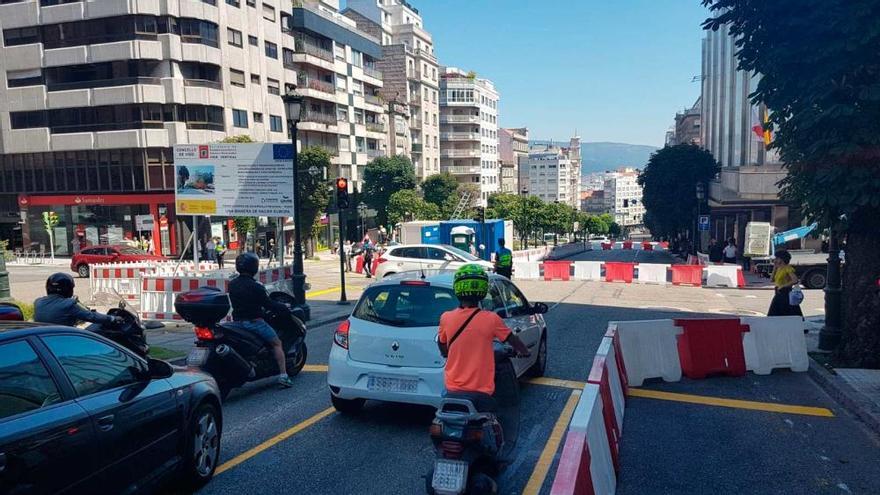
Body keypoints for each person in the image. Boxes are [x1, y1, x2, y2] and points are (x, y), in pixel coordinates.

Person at [437, 265, 530, 411]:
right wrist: (524, 351)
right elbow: (512, 339)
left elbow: (443, 348)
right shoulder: (491, 319)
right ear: (483, 291)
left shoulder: (446, 318)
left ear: (457, 289)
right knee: (498, 416)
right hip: (481, 392)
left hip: (452, 390)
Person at [227, 252, 294, 388]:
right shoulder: (256, 286)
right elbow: (268, 304)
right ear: (254, 267)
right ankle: (283, 375)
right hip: (254, 322)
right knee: (277, 343)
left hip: (237, 323)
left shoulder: (232, 284)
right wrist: (283, 307)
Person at [34, 273, 122, 327]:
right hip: (64, 339)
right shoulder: (69, 304)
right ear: (68, 289)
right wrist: (113, 318)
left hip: (45, 339)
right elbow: (91, 316)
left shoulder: (38, 302)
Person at [767, 250, 803, 317]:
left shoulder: (788, 268)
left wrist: (783, 286)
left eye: (777, 258)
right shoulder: (779, 268)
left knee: (788, 311)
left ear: (782, 259)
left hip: (785, 293)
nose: (775, 260)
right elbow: (772, 280)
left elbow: (795, 280)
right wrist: (774, 268)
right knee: (774, 312)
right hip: (778, 292)